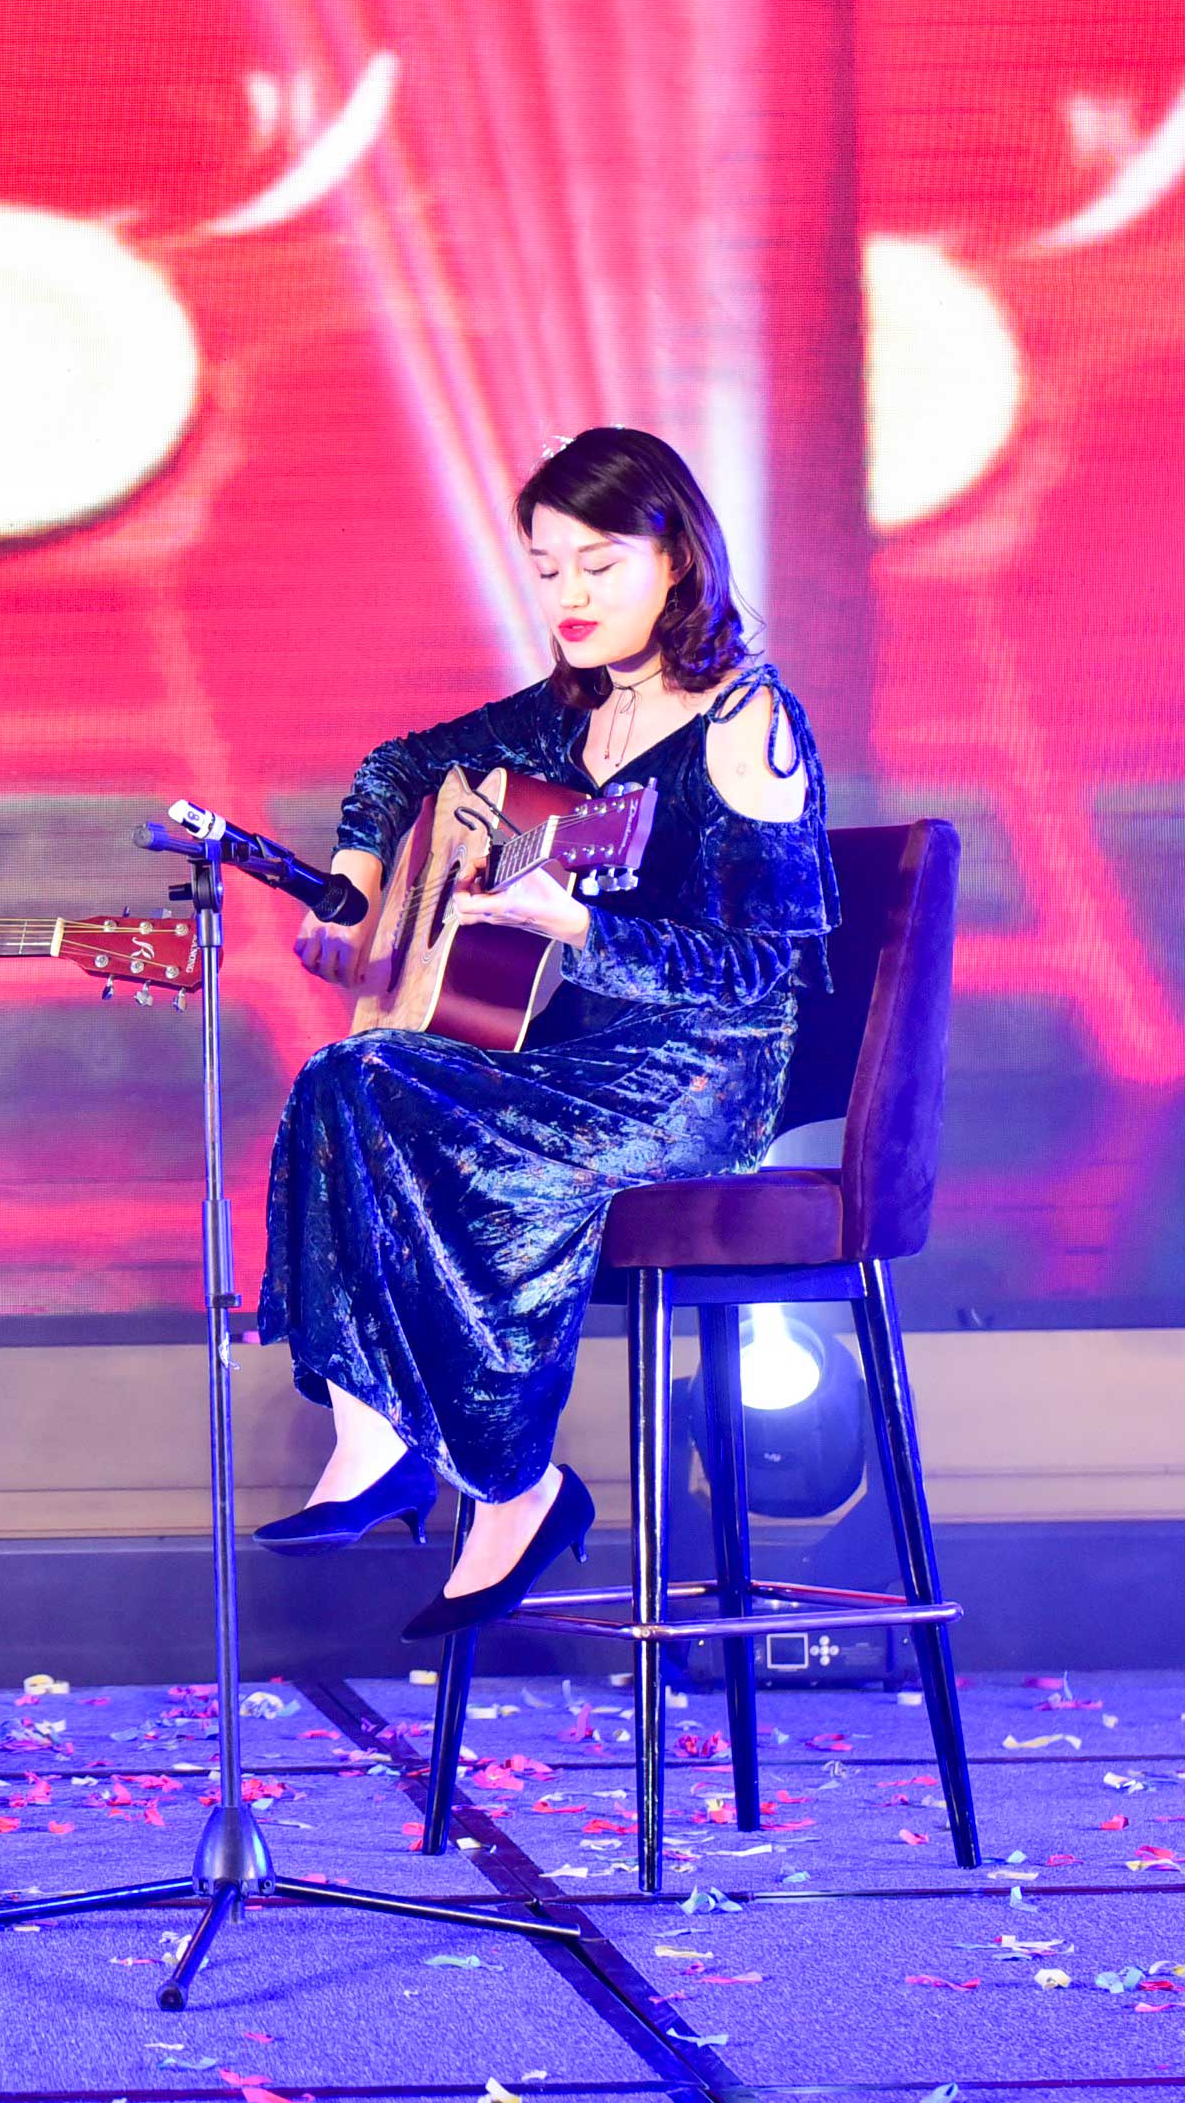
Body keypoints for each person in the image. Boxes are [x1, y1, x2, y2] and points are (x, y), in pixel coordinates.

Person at [257, 427, 836, 1638]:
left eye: (598, 564)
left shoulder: (745, 721)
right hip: (577, 1062)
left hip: (702, 1075)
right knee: (343, 1075)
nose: (568, 593)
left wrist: (576, 925)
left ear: (677, 559)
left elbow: (760, 970)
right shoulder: (570, 714)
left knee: (386, 1089)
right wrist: (359, 872)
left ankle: (501, 1476)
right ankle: (386, 1439)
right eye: (546, 567)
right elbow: (401, 763)